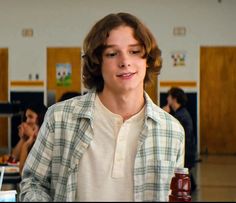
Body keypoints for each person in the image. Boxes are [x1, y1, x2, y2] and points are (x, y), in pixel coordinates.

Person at [19, 12, 185, 202]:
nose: (125, 62)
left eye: (135, 51)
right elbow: (33, 183)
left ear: (147, 59)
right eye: (112, 54)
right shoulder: (59, 118)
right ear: (97, 63)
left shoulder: (172, 131)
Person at [162, 87, 197, 192]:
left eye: (169, 96)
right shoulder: (181, 113)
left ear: (174, 99)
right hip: (188, 153)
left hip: (186, 154)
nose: (167, 98)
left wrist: (165, 114)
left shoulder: (180, 115)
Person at [10, 102, 47, 174]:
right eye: (26, 117)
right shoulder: (30, 136)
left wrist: (31, 138)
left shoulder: (46, 137)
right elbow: (14, 157)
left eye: (30, 117)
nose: (27, 121)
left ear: (40, 118)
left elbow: (23, 172)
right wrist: (23, 138)